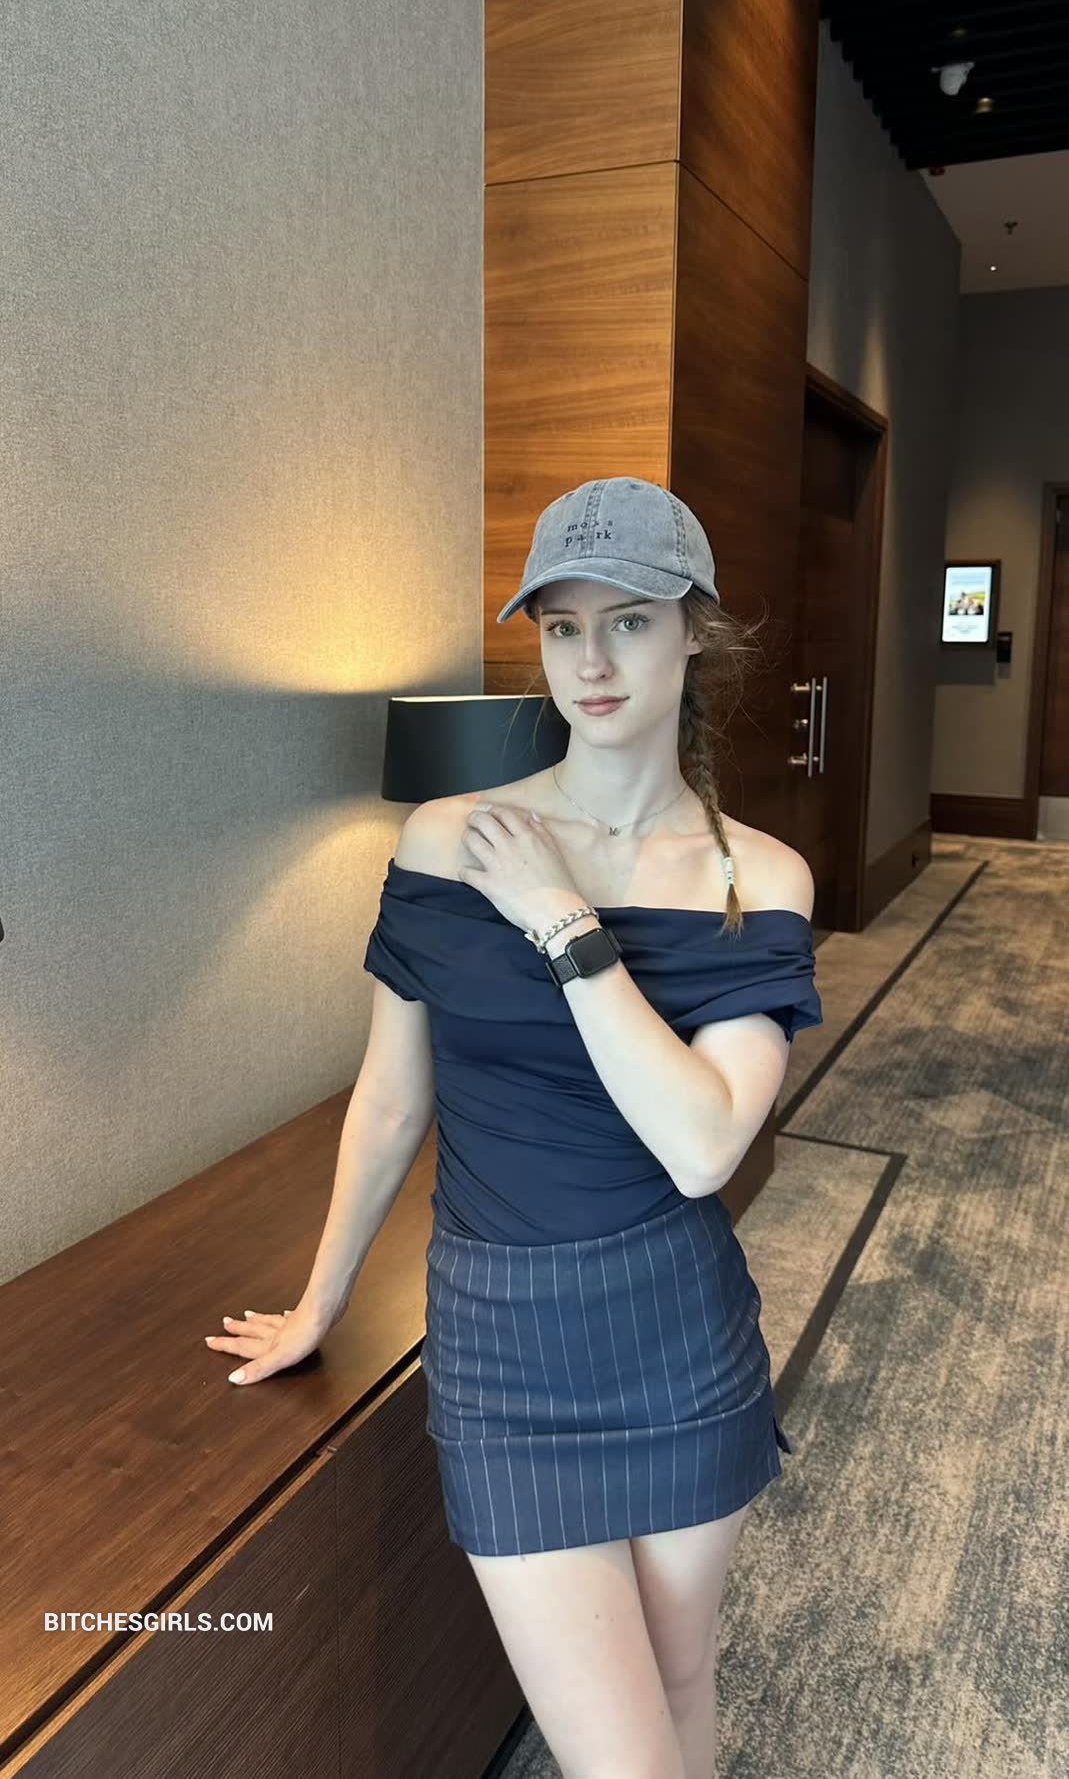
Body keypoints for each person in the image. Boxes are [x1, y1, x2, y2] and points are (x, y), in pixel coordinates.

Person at [205, 477, 822, 1779]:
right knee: (619, 1757)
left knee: (681, 1676)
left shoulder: (755, 878)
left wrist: (563, 925)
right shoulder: (446, 844)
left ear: (696, 632)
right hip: (501, 1346)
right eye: (560, 627)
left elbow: (703, 1147)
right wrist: (319, 1301)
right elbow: (393, 1097)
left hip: (678, 1332)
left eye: (629, 622)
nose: (590, 661)